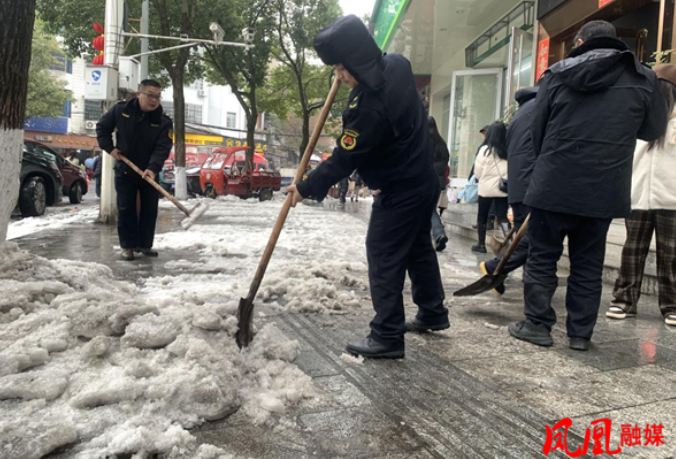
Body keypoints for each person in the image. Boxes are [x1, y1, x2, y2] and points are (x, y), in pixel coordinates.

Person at [286, 15, 449, 359]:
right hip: (423, 182)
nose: (339, 76)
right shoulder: (398, 65)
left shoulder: (370, 107)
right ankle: (433, 311)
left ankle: (387, 334)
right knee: (418, 248)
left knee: (384, 253)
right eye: (335, 69)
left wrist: (305, 187)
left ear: (358, 60)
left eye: (341, 68)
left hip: (401, 190)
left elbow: (344, 159)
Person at [509, 21, 667, 352]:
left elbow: (537, 132)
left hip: (552, 184)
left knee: (542, 258)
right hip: (604, 188)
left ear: (580, 42)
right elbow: (653, 131)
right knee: (588, 263)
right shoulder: (643, 78)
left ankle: (537, 325)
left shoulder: (556, 73)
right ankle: (580, 334)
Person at [607, 64, 676, 326]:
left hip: (672, 199)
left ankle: (671, 305)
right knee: (632, 251)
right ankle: (623, 301)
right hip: (637, 196)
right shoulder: (637, 116)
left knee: (671, 255)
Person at [96, 79, 173, 261]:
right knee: (126, 208)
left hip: (150, 173)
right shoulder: (121, 110)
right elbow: (102, 128)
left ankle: (145, 244)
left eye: (157, 97)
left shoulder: (163, 121)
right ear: (139, 94)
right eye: (150, 95)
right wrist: (110, 148)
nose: (154, 100)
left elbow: (162, 148)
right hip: (125, 168)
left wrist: (152, 169)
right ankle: (128, 246)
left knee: (149, 209)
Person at [480, 86, 539, 296]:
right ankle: (495, 267)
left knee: (527, 237)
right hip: (532, 186)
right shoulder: (539, 111)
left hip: (516, 187)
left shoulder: (518, 118)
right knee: (534, 238)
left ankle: (522, 276)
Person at [471, 121, 509, 253]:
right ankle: (508, 243)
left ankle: (481, 245)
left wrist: (482, 178)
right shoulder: (508, 150)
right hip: (502, 189)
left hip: (486, 189)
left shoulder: (484, 150)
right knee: (502, 217)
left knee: (482, 216)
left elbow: (478, 171)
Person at [429, 116, 450, 252]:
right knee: (430, 209)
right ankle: (436, 235)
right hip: (439, 182)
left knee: (429, 210)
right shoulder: (442, 144)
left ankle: (438, 234)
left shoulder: (424, 142)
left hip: (426, 180)